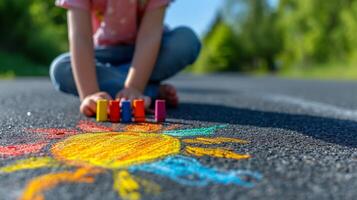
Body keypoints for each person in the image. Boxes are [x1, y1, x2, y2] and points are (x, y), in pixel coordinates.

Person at [50, 0, 201, 116]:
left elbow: (149, 37)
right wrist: (90, 94)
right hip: (106, 54)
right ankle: (151, 91)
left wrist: (134, 86)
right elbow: (80, 38)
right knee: (61, 68)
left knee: (186, 40)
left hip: (150, 53)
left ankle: (129, 87)